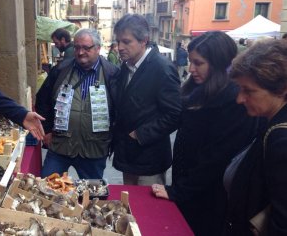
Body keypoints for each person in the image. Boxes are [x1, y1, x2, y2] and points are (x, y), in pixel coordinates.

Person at [151, 31, 259, 236]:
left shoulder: (234, 100)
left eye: (198, 63)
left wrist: (178, 191)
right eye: (191, 62)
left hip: (211, 197)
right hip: (190, 188)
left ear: (217, 63)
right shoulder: (200, 90)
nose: (191, 69)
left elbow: (216, 158)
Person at [35, 28, 119, 179]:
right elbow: (42, 100)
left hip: (94, 151)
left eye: (86, 48)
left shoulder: (112, 74)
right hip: (60, 147)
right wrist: (46, 131)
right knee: (46, 189)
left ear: (98, 48)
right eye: (77, 47)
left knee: (92, 197)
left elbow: (120, 110)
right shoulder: (60, 70)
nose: (80, 52)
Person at [224, 39, 287, 235]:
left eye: (248, 91)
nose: (240, 99)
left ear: (282, 89)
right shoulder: (269, 119)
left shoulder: (281, 139)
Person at [111, 14, 182, 185]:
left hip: (150, 158)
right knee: (129, 206)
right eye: (118, 41)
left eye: (126, 42)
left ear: (144, 41)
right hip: (128, 156)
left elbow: (175, 114)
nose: (119, 47)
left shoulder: (162, 69)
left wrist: (141, 134)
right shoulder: (125, 67)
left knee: (146, 208)